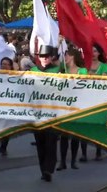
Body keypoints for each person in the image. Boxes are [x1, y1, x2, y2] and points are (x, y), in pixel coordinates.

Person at [30, 45, 60, 182]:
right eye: (42, 56)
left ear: (51, 57)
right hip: (37, 112)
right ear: (38, 57)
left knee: (51, 141)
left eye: (47, 56)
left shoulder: (57, 70)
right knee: (40, 142)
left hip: (53, 112)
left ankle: (49, 168)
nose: (44, 58)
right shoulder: (32, 71)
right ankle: (43, 169)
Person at [57, 48, 86, 171]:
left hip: (78, 105)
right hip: (65, 106)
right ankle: (62, 161)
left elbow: (84, 84)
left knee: (75, 136)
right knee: (64, 136)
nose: (65, 58)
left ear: (73, 56)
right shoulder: (63, 70)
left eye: (67, 55)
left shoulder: (82, 70)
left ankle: (73, 161)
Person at [80, 45, 107, 162]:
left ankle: (98, 152)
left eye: (95, 51)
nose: (93, 53)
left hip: (99, 100)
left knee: (98, 127)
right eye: (91, 52)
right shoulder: (84, 66)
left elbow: (104, 80)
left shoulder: (104, 66)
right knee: (84, 127)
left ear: (99, 53)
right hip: (86, 99)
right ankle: (84, 154)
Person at [0, 57, 14, 156]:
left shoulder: (14, 77)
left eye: (6, 64)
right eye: (2, 64)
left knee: (7, 127)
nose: (4, 66)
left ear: (10, 66)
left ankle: (3, 146)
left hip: (9, 105)